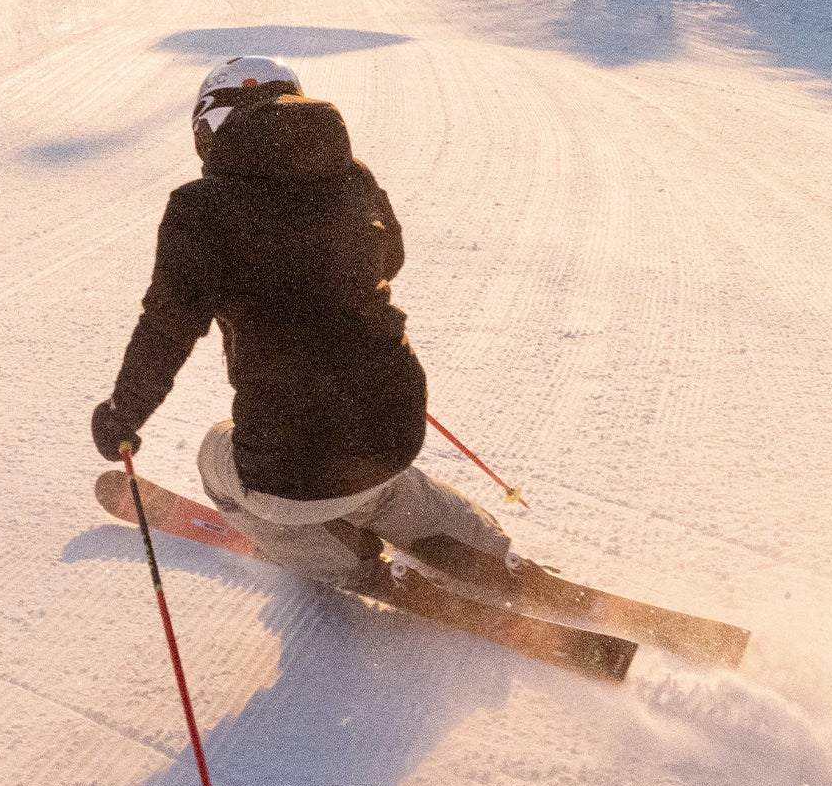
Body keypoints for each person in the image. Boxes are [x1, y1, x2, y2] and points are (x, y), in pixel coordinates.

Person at [90, 57, 523, 595]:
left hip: (290, 458)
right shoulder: (353, 174)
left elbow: (167, 328)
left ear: (208, 129)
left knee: (218, 456)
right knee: (379, 481)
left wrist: (122, 415)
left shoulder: (199, 207)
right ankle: (489, 555)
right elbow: (390, 259)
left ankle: (351, 562)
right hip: (396, 418)